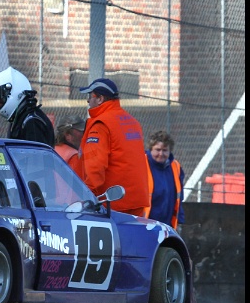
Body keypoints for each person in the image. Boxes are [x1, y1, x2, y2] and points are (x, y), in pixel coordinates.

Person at [77, 78, 149, 216]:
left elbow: (95, 167)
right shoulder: (132, 122)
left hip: (111, 203)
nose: (87, 101)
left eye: (89, 96)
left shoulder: (101, 124)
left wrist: (86, 198)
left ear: (100, 99)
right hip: (136, 201)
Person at [0, 66, 54, 145]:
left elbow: (35, 155)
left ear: (13, 92)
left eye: (1, 99)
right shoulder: (22, 118)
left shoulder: (31, 121)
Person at [145, 130, 185, 230]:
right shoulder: (141, 164)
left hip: (168, 225)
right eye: (157, 150)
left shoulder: (175, 167)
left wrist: (180, 220)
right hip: (145, 224)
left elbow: (179, 197)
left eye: (165, 150)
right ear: (151, 149)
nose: (161, 154)